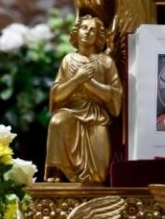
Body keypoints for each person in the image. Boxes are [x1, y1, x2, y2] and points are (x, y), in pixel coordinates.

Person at [44, 15, 123, 183]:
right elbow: (57, 95)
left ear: (98, 36)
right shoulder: (68, 60)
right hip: (72, 111)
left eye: (92, 30)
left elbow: (114, 95)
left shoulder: (106, 62)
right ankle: (56, 171)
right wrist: (77, 80)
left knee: (98, 175)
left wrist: (90, 83)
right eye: (84, 28)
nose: (87, 32)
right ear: (76, 32)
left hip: (97, 116)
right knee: (57, 121)